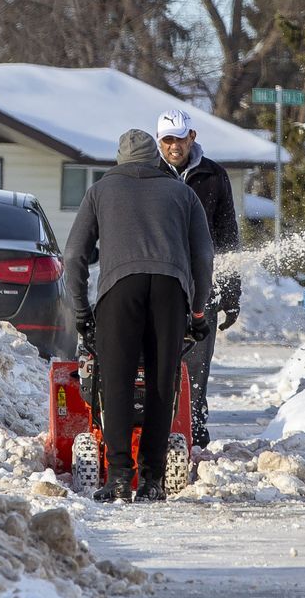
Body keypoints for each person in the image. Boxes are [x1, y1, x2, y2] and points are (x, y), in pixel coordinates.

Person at [65, 129, 213, 503]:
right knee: (163, 383)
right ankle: (152, 480)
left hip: (119, 290)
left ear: (119, 158)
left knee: (116, 379)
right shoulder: (184, 193)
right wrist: (197, 313)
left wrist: (82, 311)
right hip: (170, 291)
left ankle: (117, 477)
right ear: (155, 158)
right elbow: (203, 258)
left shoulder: (99, 191)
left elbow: (73, 257)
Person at [156, 108, 241, 448]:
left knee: (196, 363)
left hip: (203, 285)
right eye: (168, 139)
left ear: (192, 137)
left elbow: (228, 235)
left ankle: (194, 427)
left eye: (180, 138)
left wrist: (232, 292)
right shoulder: (150, 174)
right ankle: (158, 422)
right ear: (159, 141)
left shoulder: (213, 175)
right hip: (160, 281)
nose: (174, 146)